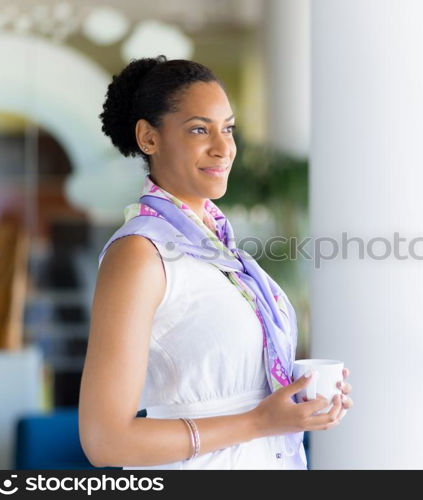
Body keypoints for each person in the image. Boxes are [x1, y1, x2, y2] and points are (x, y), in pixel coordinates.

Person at [78, 55, 353, 470]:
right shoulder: (139, 253)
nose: (223, 148)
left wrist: (296, 399)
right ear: (149, 138)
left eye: (228, 129)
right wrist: (259, 420)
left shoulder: (223, 253)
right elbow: (106, 442)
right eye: (199, 129)